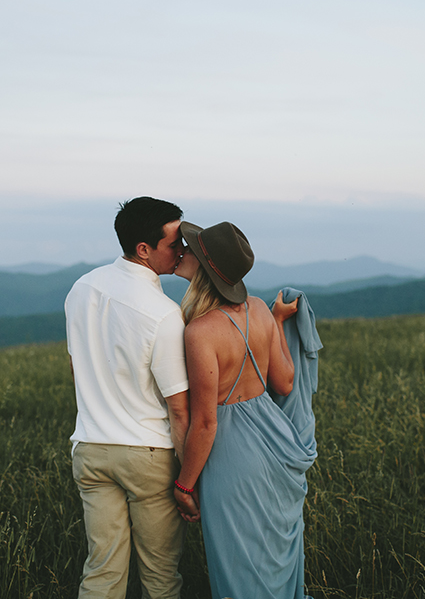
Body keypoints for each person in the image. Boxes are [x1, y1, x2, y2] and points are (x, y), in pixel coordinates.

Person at [172, 221, 318, 599]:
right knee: (271, 557)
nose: (181, 251)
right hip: (273, 439)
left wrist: (184, 486)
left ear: (204, 269)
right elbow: (284, 383)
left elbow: (205, 422)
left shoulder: (200, 332)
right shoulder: (258, 309)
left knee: (239, 565)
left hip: (232, 455)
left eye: (189, 249)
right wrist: (277, 322)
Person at [65, 196, 191, 599]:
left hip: (90, 448)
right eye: (175, 244)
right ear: (144, 249)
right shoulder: (164, 313)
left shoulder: (81, 288)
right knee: (160, 576)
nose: (182, 251)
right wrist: (189, 481)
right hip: (147, 455)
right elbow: (178, 409)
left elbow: (76, 366)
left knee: (102, 572)